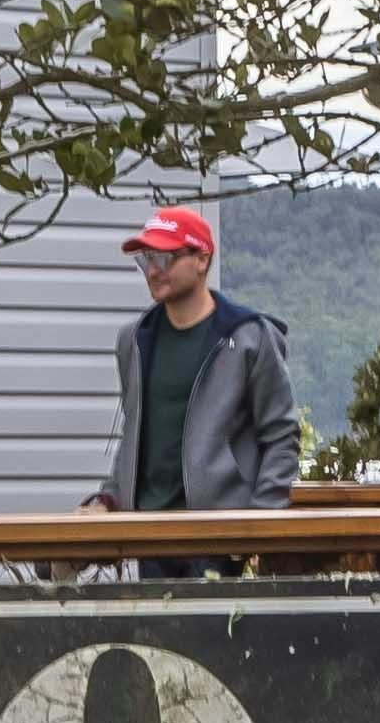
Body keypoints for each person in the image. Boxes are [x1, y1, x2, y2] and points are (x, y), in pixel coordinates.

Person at [99, 205, 301, 513]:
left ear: (202, 259)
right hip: (144, 531)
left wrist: (261, 520)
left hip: (221, 533)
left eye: (165, 258)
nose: (153, 270)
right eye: (147, 259)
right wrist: (109, 498)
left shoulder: (249, 337)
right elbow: (135, 436)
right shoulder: (134, 340)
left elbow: (281, 436)